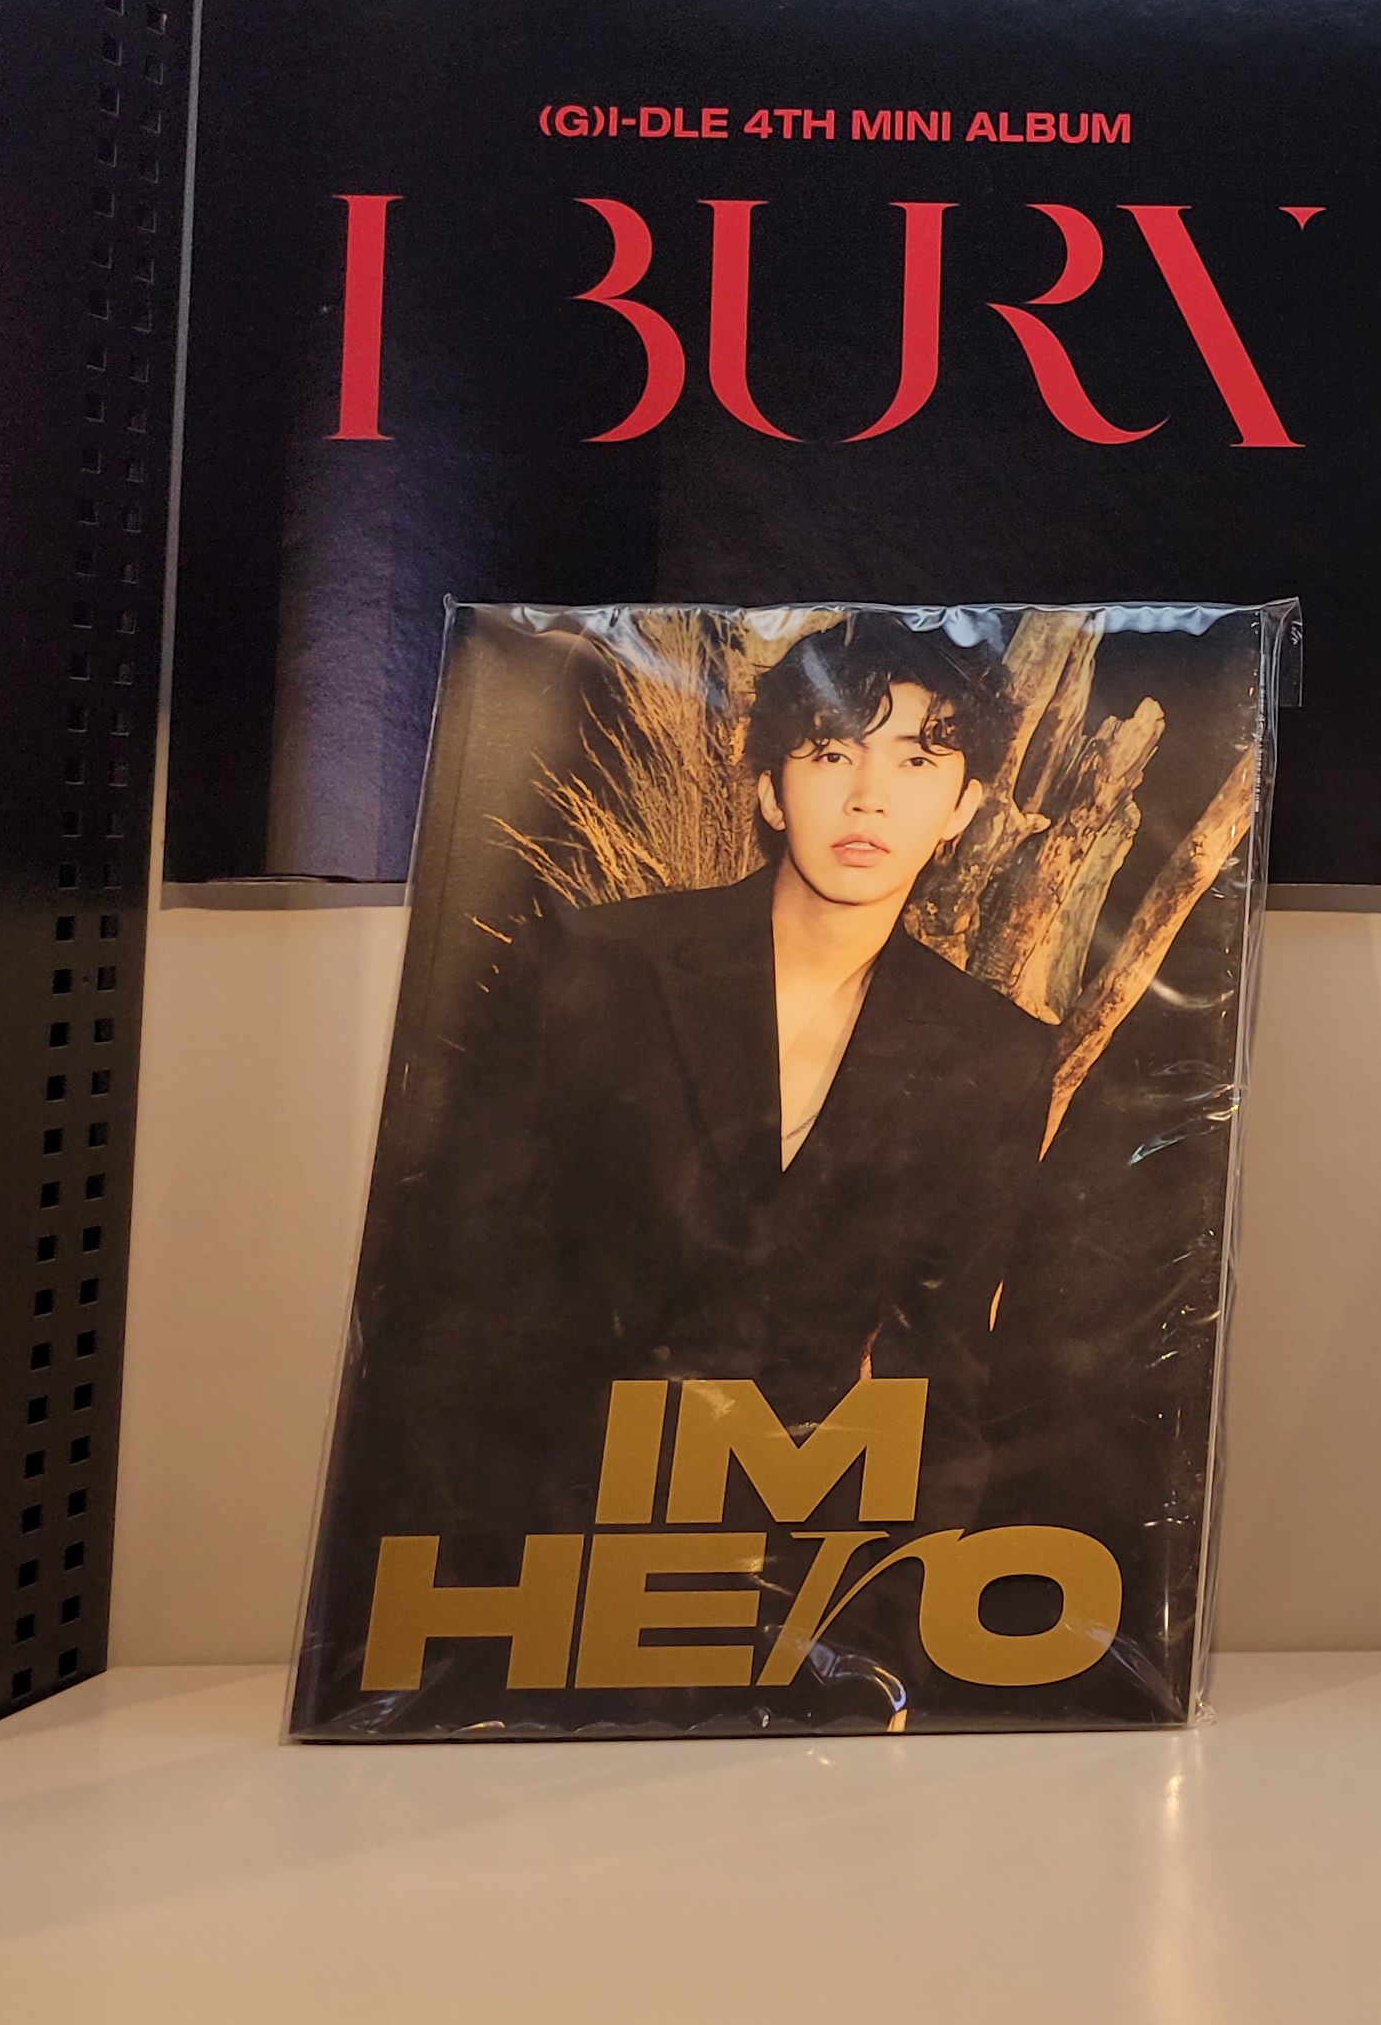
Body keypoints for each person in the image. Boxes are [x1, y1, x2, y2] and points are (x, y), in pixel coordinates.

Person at [345, 614, 1058, 1669]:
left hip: (807, 1565)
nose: (869, 797)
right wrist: (447, 1577)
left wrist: (890, 1628)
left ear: (963, 808)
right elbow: (457, 1283)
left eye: (917, 760)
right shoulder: (596, 965)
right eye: (831, 754)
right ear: (770, 789)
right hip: (539, 1535)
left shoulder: (997, 1053)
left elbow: (945, 1371)